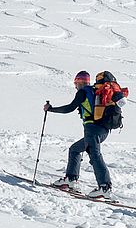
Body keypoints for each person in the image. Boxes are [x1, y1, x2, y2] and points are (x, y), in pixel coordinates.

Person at [43, 70, 122, 199]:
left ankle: (104, 187)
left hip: (92, 129)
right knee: (75, 149)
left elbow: (70, 107)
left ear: (80, 82)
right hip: (103, 130)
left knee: (95, 155)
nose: (76, 86)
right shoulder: (94, 92)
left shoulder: (83, 92)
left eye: (77, 83)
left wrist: (51, 109)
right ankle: (71, 179)